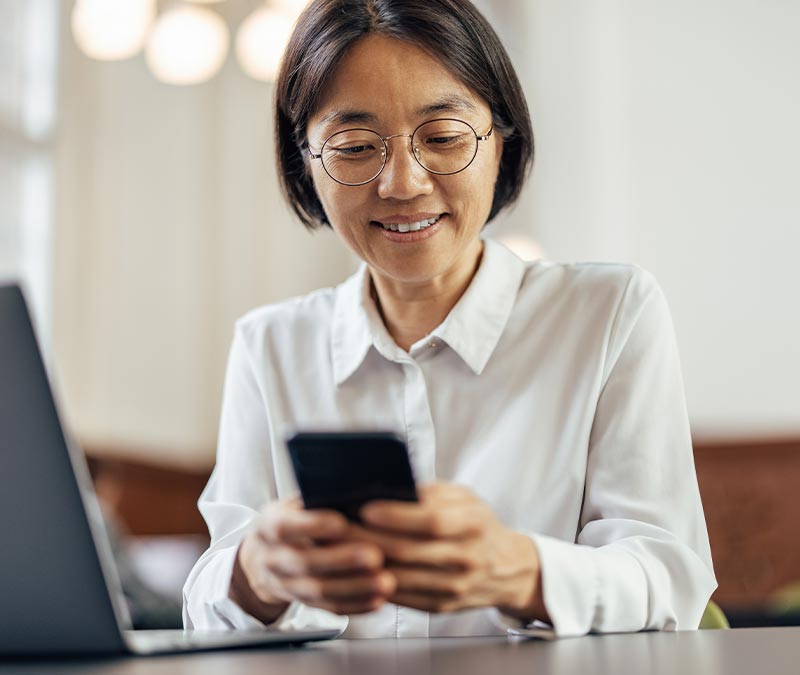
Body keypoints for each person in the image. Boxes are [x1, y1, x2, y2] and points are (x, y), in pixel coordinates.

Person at [183, 0, 716, 638]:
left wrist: (522, 571)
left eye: (442, 138)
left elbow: (669, 578)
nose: (403, 183)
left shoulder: (607, 313)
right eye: (354, 147)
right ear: (306, 163)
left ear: (501, 141)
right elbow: (206, 603)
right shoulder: (270, 345)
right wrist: (255, 576)